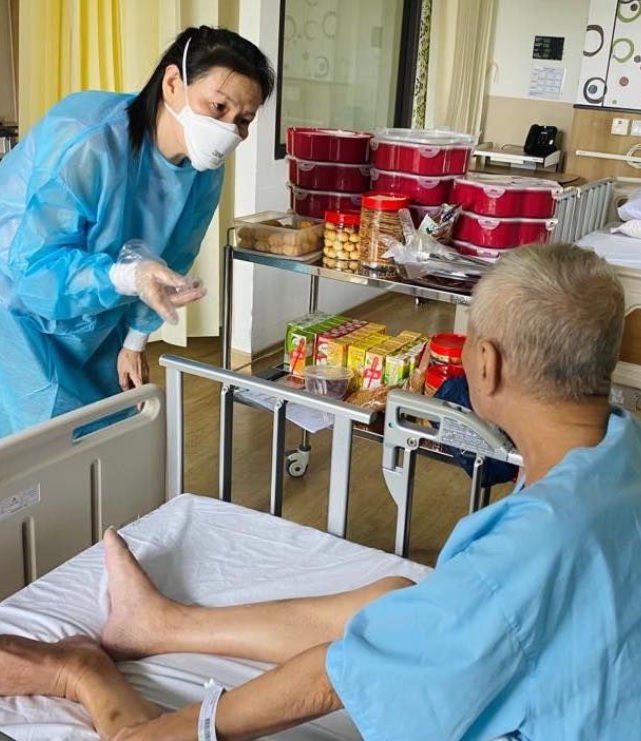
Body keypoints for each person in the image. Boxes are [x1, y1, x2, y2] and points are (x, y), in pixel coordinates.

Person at [1, 242, 641, 741]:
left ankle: (80, 671)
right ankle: (164, 624)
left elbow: (338, 678)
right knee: (400, 598)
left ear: (487, 364)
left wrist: (167, 730)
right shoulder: (617, 453)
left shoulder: (520, 561)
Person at [0, 25, 274, 437]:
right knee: (43, 450)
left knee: (110, 431)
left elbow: (173, 259)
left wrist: (135, 340)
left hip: (98, 306)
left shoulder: (203, 171)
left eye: (244, 120)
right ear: (172, 84)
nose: (230, 131)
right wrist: (127, 276)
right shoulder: (90, 141)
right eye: (219, 107)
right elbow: (35, 272)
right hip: (16, 309)